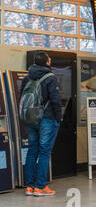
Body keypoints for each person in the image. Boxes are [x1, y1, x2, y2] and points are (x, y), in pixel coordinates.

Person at [20, 51, 61, 197]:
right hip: (46, 118)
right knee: (44, 152)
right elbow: (55, 100)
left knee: (32, 151)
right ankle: (41, 187)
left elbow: (22, 97)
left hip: (29, 119)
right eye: (49, 59)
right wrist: (58, 118)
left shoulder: (27, 77)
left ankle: (29, 187)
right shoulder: (50, 78)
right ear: (47, 62)